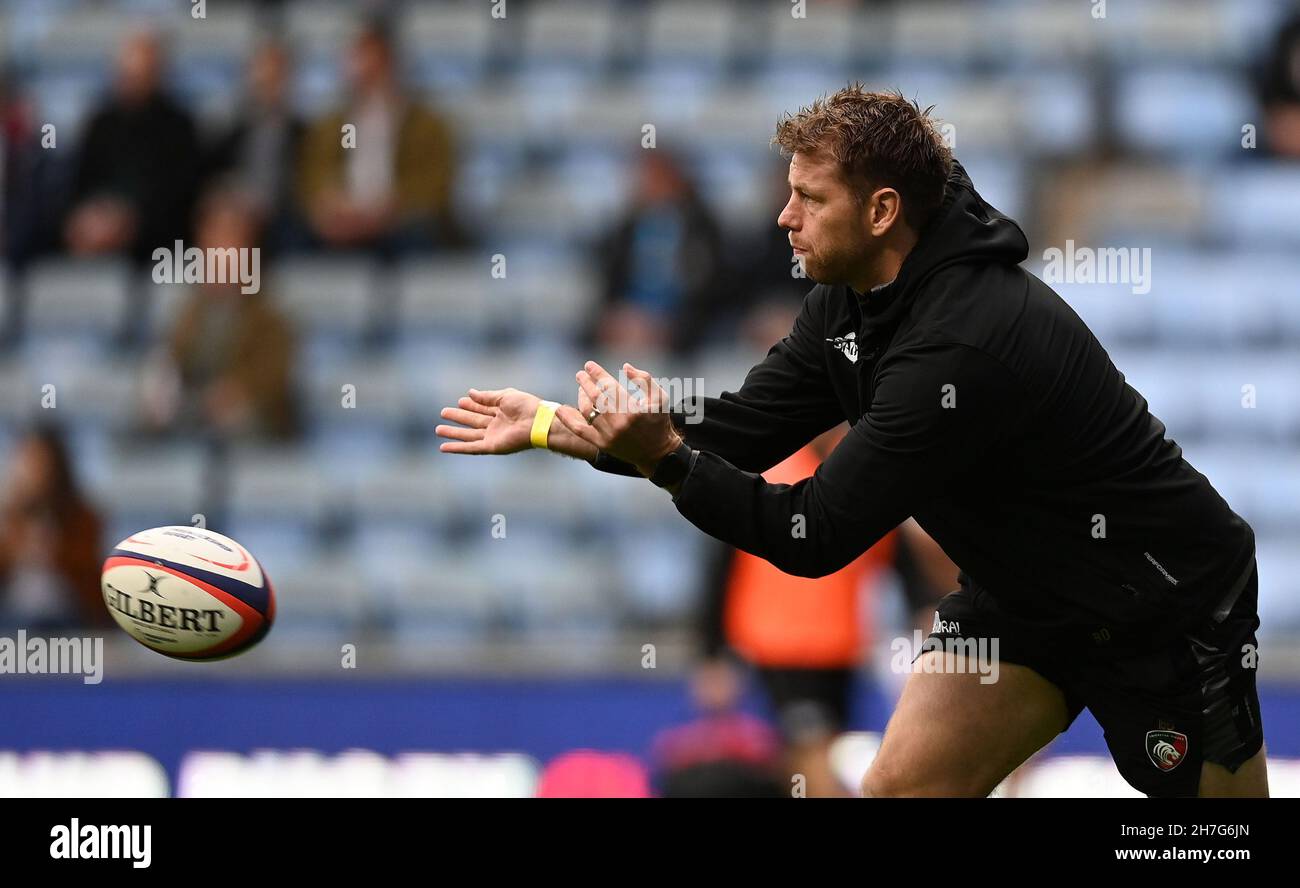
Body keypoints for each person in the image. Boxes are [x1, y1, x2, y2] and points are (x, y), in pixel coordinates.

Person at [435, 86, 1266, 798]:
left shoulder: (962, 343)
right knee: (898, 792)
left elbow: (812, 532)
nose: (783, 217)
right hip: (1023, 603)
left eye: (809, 198)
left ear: (881, 211)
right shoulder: (849, 299)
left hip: (1162, 605)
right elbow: (748, 426)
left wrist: (666, 461)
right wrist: (554, 425)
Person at [141, 190, 299, 441]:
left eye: (229, 239)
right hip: (190, 427)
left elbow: (273, 390)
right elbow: (167, 374)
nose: (217, 251)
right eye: (211, 239)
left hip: (252, 441)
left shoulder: (272, 321)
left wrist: (234, 395)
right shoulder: (186, 316)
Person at [295, 18, 458, 256]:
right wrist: (330, 203)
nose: (365, 69)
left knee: (418, 235)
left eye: (375, 59)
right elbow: (312, 177)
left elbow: (436, 187)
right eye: (359, 58)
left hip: (400, 225)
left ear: (392, 63)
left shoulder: (428, 126)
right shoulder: (329, 126)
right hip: (341, 224)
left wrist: (389, 208)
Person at [63, 29, 200, 262]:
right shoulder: (100, 123)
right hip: (95, 239)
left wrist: (129, 222)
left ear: (158, 73)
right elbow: (80, 185)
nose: (132, 82)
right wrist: (90, 219)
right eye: (127, 74)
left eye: (141, 74)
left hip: (159, 245)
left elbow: (182, 195)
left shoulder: (180, 127)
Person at [585, 150, 727, 357]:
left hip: (679, 324)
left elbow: (709, 287)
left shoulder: (701, 227)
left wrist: (669, 324)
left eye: (656, 177)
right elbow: (610, 279)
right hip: (629, 318)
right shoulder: (626, 227)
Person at [0, 425, 107, 631]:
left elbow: (88, 577)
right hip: (13, 612)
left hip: (66, 613)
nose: (33, 470)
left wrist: (53, 552)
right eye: (28, 461)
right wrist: (17, 549)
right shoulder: (11, 516)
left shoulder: (81, 517)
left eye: (40, 461)